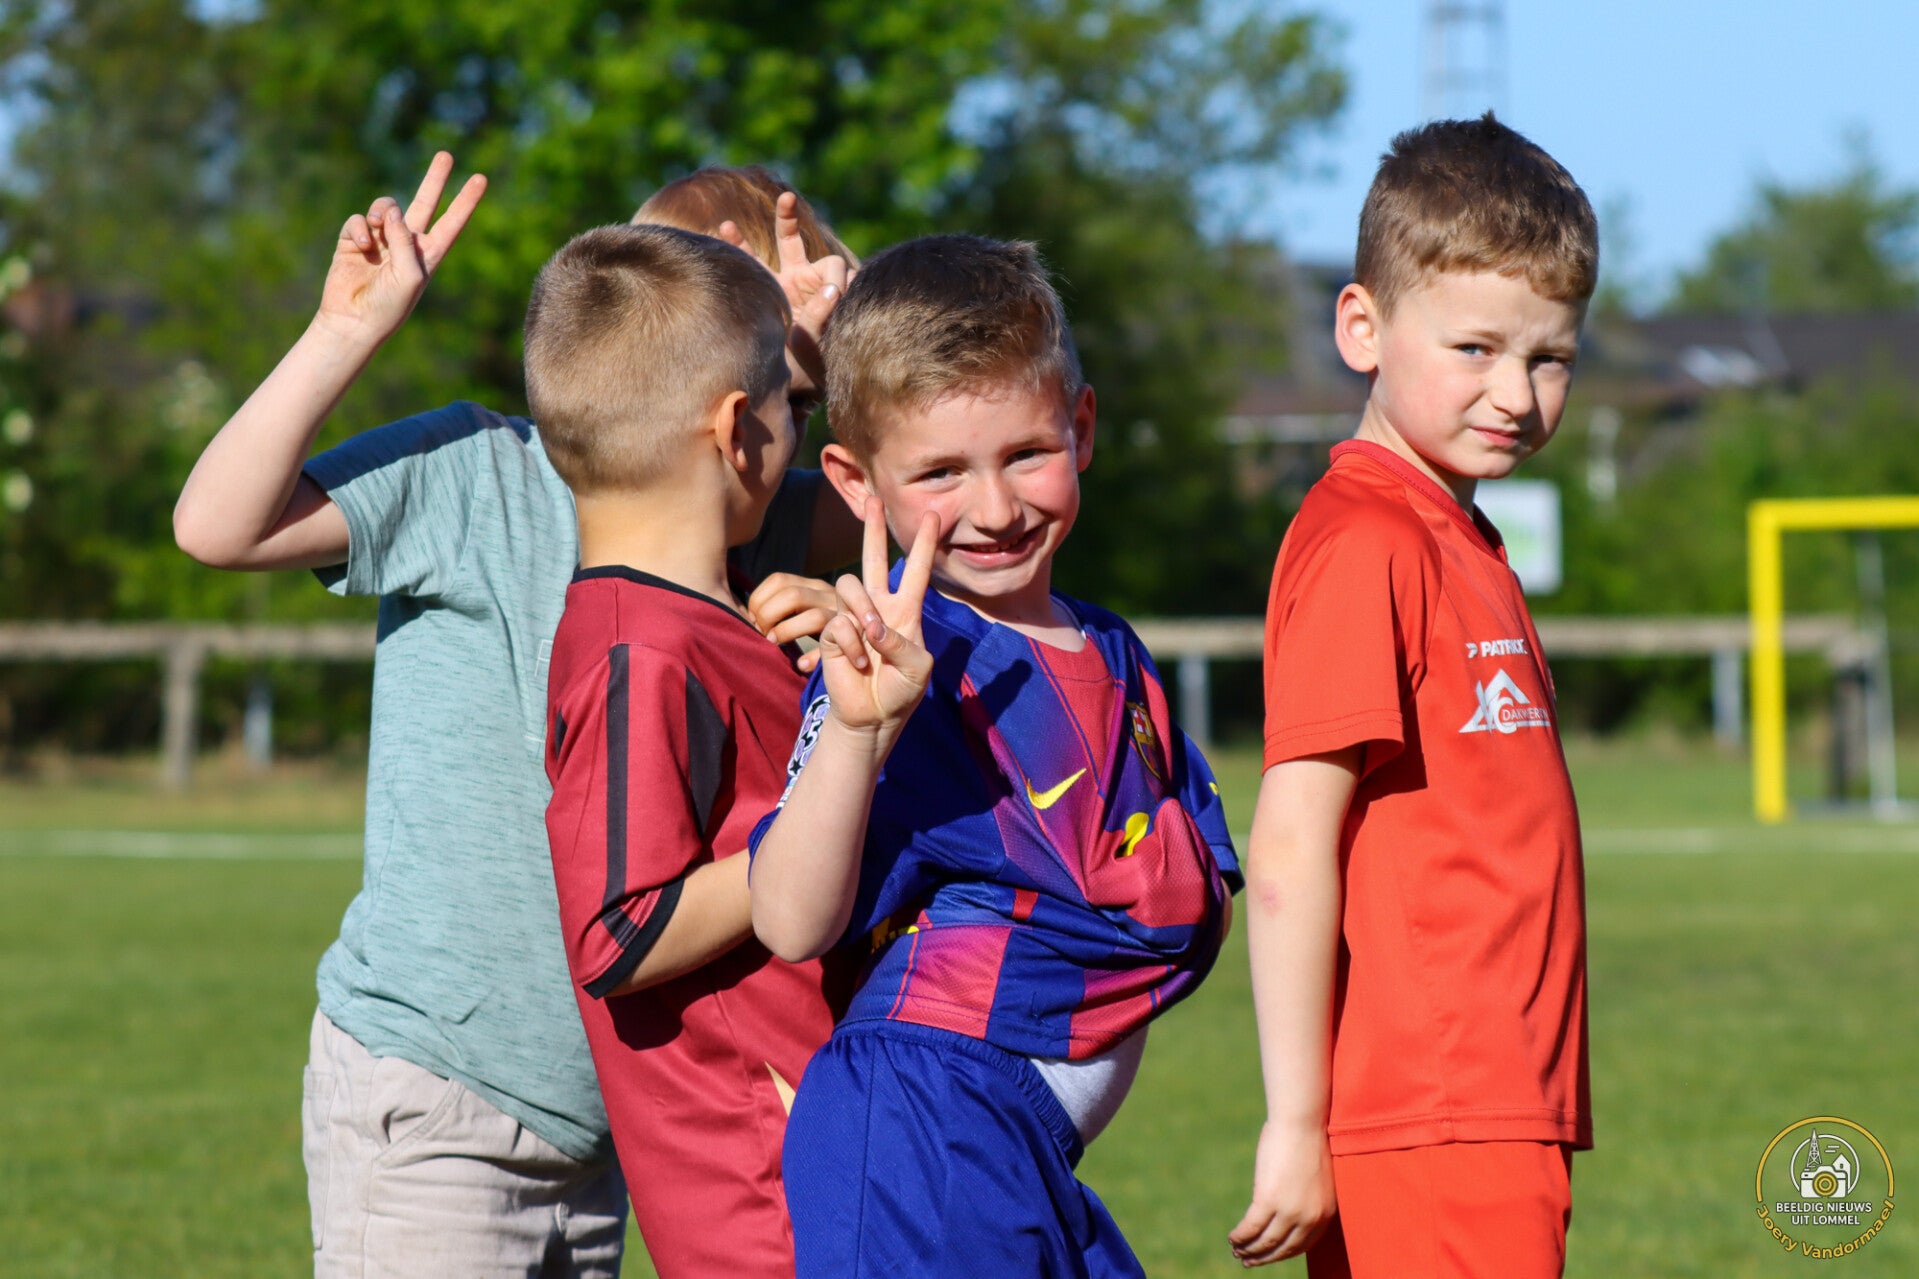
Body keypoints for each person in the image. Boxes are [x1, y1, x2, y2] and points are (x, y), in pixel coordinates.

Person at [171, 154, 859, 1277]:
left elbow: (920, 501)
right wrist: (346, 332)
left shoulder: (748, 514)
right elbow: (218, 526)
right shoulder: (476, 468)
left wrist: (844, 361)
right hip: (437, 1092)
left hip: (606, 1123)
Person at [748, 234, 1241, 1278]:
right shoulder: (898, 660)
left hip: (1021, 1150)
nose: (996, 508)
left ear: (1082, 427)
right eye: (940, 472)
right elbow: (789, 918)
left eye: (1024, 454)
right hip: (921, 1125)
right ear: (854, 481)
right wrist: (855, 731)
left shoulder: (1112, 649)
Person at [1228, 113, 1598, 1278]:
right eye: (1474, 348)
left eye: (1548, 358)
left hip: (1495, 1100)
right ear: (1362, 327)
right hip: (1430, 1108)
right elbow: (1288, 845)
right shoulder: (1366, 540)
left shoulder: (1455, 535)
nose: (1515, 393)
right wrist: (1296, 1122)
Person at [535, 221, 853, 1277]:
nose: (798, 429)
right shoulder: (641, 650)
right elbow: (614, 930)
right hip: (764, 1192)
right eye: (794, 405)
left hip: (821, 1154)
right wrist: (790, 854)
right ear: (735, 429)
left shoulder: (701, 619)